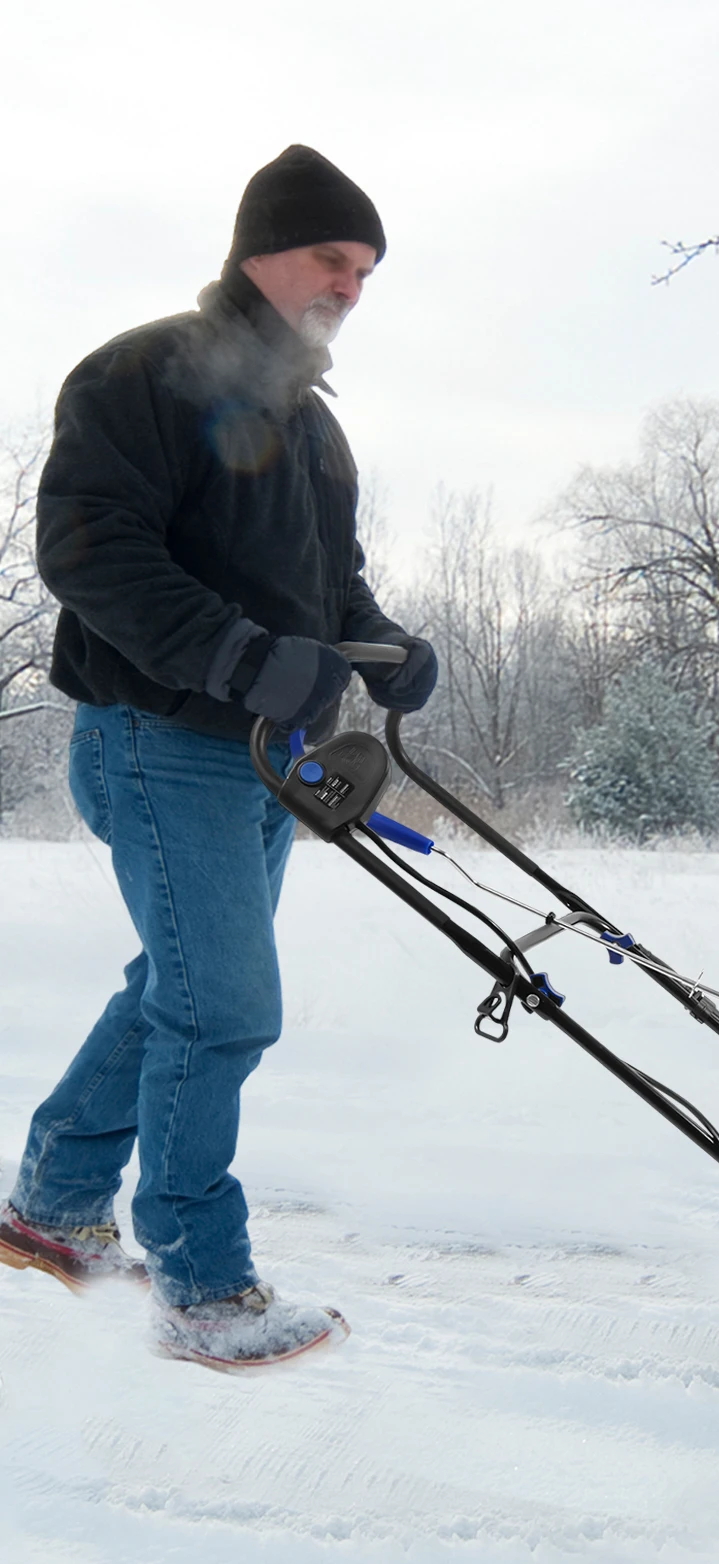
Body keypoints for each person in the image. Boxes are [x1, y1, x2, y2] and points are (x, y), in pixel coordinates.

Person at [0, 146, 436, 1370]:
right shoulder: (143, 374)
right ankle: (202, 1286)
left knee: (178, 987)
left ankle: (52, 1205)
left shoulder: (314, 425)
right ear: (260, 251)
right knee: (223, 1008)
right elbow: (91, 551)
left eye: (365, 271)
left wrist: (384, 648)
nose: (349, 286)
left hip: (261, 759)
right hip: (156, 740)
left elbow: (330, 585)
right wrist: (242, 659)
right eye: (331, 259)